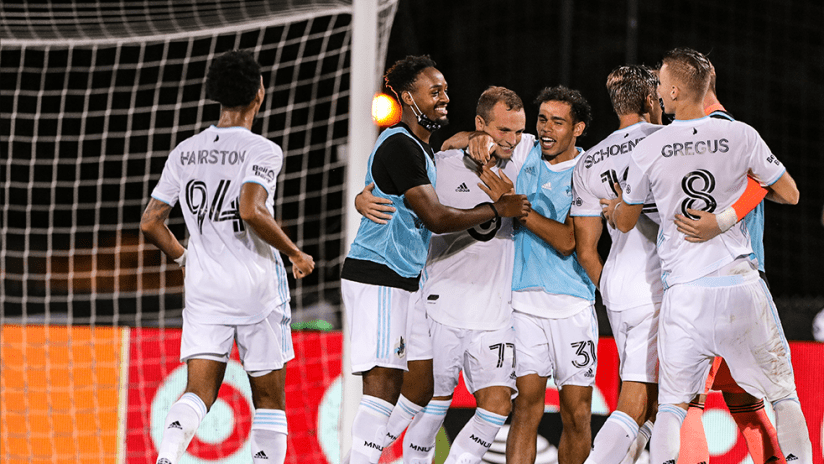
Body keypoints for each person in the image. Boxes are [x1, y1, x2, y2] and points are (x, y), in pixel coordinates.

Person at [603, 47, 812, 464]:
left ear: (676, 90)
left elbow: (625, 221)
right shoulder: (742, 134)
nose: (658, 91)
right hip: (741, 286)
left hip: (686, 294)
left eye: (661, 83)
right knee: (781, 395)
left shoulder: (651, 147)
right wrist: (724, 218)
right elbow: (789, 193)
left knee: (675, 406)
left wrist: (616, 207)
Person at [340, 55, 530, 464]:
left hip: (408, 281)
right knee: (384, 385)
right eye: (435, 90)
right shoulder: (401, 144)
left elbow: (450, 148)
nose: (445, 97)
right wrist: (500, 209)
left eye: (445, 89)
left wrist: (467, 139)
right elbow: (437, 218)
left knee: (419, 388)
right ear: (408, 97)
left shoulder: (421, 147)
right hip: (380, 275)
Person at [140, 49, 315, 464]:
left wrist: (186, 260)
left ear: (215, 95)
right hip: (256, 289)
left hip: (204, 291)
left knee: (198, 392)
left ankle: (166, 456)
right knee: (269, 400)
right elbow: (251, 209)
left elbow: (150, 222)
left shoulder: (185, 151)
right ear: (259, 93)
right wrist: (294, 252)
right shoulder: (263, 150)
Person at [396, 86, 530, 464]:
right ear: (480, 124)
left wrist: (477, 138)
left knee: (497, 406)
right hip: (443, 304)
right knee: (432, 403)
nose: (512, 140)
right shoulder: (442, 164)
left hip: (495, 313)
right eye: (503, 131)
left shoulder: (524, 157)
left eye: (518, 131)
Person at [672, 60, 785, 464]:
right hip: (749, 282)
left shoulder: (713, 138)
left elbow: (781, 189)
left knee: (685, 399)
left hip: (716, 282)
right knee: (743, 396)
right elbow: (778, 188)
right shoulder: (735, 134)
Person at [570, 65, 664, 464]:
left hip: (618, 289)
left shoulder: (589, 161)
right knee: (639, 402)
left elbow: (585, 248)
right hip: (656, 286)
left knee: (652, 406)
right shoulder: (665, 142)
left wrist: (607, 287)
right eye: (659, 97)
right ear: (649, 100)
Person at [505, 86, 597, 464]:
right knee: (526, 408)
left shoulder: (590, 170)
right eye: (542, 118)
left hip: (572, 304)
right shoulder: (525, 148)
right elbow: (472, 137)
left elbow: (568, 240)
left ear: (578, 129)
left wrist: (521, 212)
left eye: (557, 122)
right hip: (523, 304)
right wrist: (472, 139)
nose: (546, 128)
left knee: (576, 413)